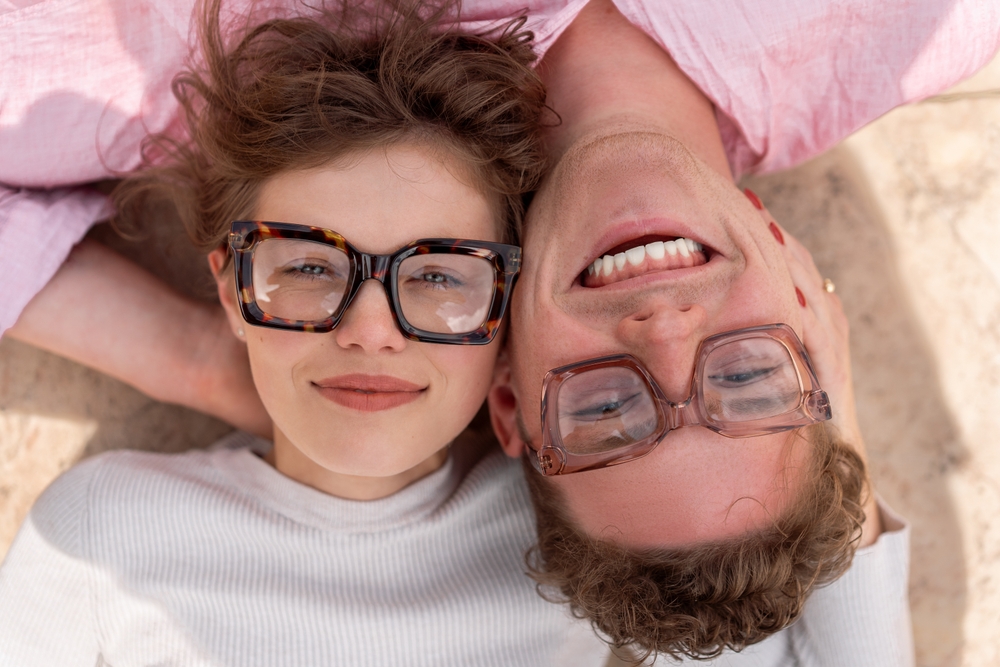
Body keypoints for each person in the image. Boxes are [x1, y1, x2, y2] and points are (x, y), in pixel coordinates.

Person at [3, 0, 997, 662]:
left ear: (508, 391)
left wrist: (217, 358)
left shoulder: (205, 70)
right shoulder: (917, 18)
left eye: (607, 407)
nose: (663, 328)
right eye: (749, 382)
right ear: (809, 303)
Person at [0, 2, 612, 664]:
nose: (371, 330)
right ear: (233, 289)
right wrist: (195, 356)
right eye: (311, 266)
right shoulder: (102, 527)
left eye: (437, 278)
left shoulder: (589, 521)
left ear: (506, 308)